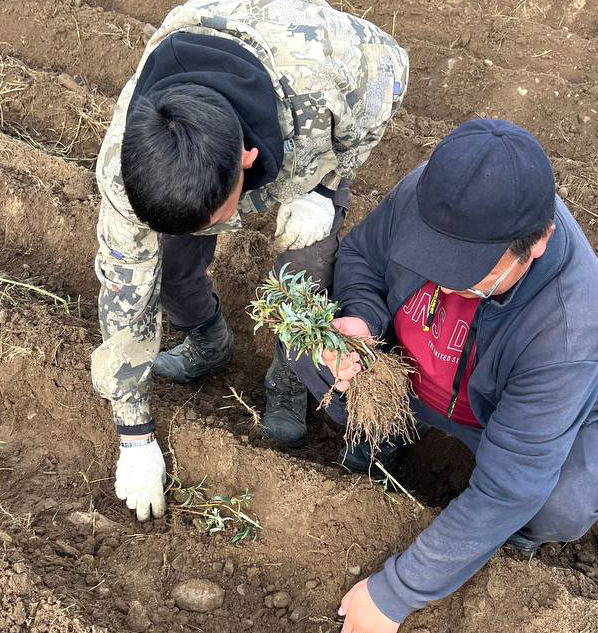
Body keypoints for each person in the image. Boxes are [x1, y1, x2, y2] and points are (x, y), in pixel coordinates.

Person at [285, 119, 598, 633]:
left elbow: (509, 486)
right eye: (432, 256)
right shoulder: (437, 195)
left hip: (500, 413)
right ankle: (388, 430)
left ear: (539, 242)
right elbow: (362, 256)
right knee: (309, 349)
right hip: (419, 371)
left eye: (466, 271)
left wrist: (396, 593)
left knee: (562, 501)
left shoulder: (571, 327)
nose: (443, 280)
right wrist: (360, 319)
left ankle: (513, 538)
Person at [90, 0, 409, 521]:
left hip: (306, 123)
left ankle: (290, 380)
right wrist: (133, 431)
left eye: (212, 219)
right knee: (167, 265)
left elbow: (388, 80)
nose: (210, 232)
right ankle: (207, 340)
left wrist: (326, 184)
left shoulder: (330, 71)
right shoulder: (129, 163)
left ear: (247, 160)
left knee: (305, 273)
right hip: (233, 123)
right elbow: (125, 298)